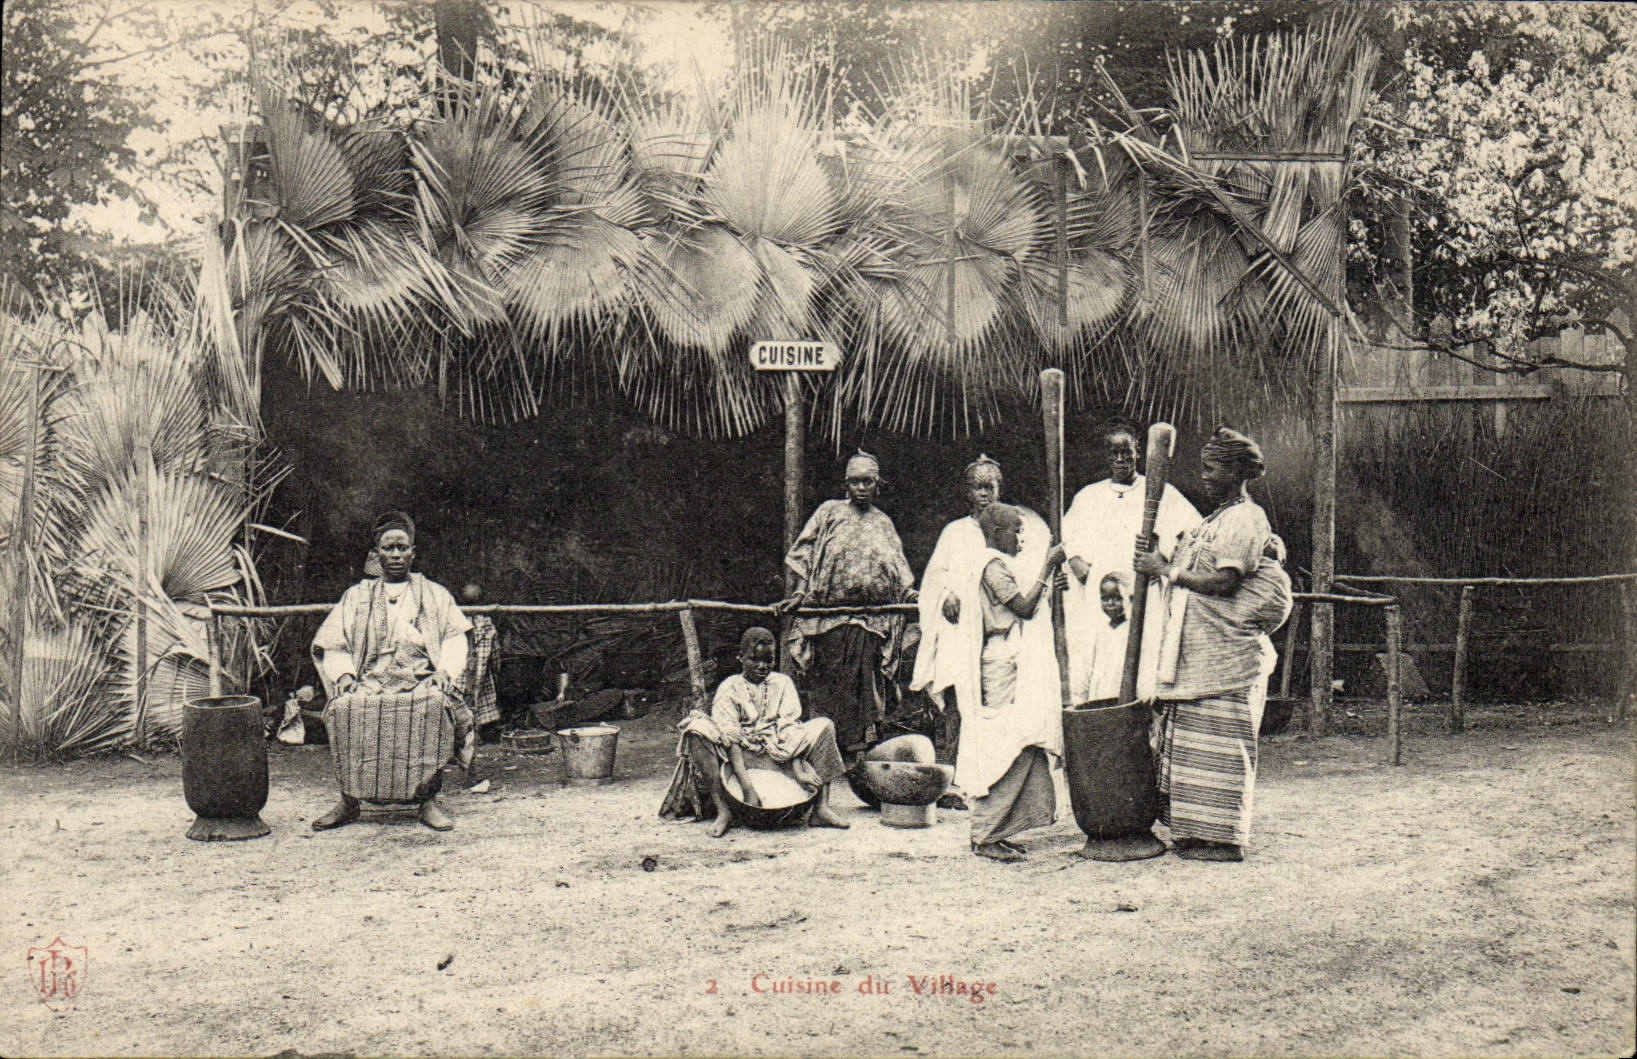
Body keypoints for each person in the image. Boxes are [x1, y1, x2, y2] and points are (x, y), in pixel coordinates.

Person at [1135, 428, 1292, 862]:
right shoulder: (1216, 518)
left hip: (1224, 659)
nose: (1203, 476)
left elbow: (1225, 581)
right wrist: (1161, 558)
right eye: (1203, 467)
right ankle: (1195, 834)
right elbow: (1190, 564)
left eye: (1212, 468)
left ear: (1238, 472)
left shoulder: (1245, 517)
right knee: (1193, 747)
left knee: (1222, 747)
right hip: (1197, 657)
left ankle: (1223, 839)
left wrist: (1166, 571)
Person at [310, 512, 476, 832]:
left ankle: (427, 800)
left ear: (413, 551)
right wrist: (344, 675)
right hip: (370, 677)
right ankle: (349, 801)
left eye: (403, 548)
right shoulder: (356, 596)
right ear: (377, 554)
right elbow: (334, 643)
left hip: (419, 677)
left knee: (435, 706)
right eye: (389, 548)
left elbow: (455, 637)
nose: (397, 555)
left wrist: (444, 671)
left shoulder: (435, 594)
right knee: (344, 708)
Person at [775, 451, 917, 765]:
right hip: (829, 617)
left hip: (870, 619)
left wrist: (909, 594)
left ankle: (859, 749)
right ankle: (827, 749)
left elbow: (898, 567)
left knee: (865, 682)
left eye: (868, 481)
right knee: (830, 681)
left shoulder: (883, 522)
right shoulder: (829, 512)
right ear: (846, 484)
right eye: (855, 482)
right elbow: (804, 551)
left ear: (877, 484)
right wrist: (800, 592)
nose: (861, 488)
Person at [955, 503, 1066, 862]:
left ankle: (1000, 830)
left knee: (1026, 740)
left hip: (1012, 657)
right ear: (998, 533)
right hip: (1002, 661)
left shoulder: (999, 565)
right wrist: (1047, 568)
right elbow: (1023, 607)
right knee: (1006, 744)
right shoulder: (990, 565)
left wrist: (1048, 581)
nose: (1021, 538)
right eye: (1016, 531)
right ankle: (985, 834)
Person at [661, 627, 850, 837]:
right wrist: (747, 789)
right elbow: (731, 739)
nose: (762, 666)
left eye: (768, 660)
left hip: (777, 752)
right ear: (741, 658)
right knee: (696, 729)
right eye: (754, 659)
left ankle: (821, 808)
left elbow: (790, 730)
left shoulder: (782, 683)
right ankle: (724, 810)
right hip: (739, 756)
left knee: (824, 725)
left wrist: (798, 769)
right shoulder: (729, 688)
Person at [1062, 420, 1200, 703]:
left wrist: (1159, 559)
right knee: (1098, 662)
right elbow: (1069, 543)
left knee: (1144, 665)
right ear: (1106, 456)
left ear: (1138, 451)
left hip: (1143, 595)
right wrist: (1086, 572)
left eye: (1127, 452)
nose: (1121, 459)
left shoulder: (1161, 492)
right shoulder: (1088, 497)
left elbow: (1192, 533)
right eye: (1114, 453)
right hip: (1102, 599)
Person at [909, 454, 1005, 807]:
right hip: (960, 634)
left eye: (991, 486)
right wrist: (946, 593)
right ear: (968, 493)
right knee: (956, 709)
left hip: (995, 635)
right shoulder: (955, 532)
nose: (985, 494)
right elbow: (936, 578)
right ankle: (950, 783)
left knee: (994, 706)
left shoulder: (1008, 529)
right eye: (979, 487)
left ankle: (990, 778)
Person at [1081, 572, 1133, 702]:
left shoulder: (1130, 631)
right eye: (1105, 598)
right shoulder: (1099, 632)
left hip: (1121, 693)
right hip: (1101, 694)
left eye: (1116, 598)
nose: (1110, 603)